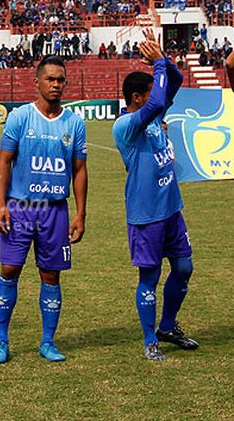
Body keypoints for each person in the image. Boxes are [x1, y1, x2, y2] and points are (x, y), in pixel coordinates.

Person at [0, 55, 88, 364]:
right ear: (37, 82)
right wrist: (1, 205)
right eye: (50, 79)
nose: (56, 84)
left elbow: (80, 170)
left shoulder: (74, 123)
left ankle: (48, 342)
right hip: (19, 208)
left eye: (61, 80)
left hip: (55, 211)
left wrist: (81, 213)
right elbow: (3, 162)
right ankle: (1, 342)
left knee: (51, 276)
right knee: (9, 271)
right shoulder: (20, 118)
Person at [113, 30, 198, 361]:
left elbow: (173, 82)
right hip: (145, 215)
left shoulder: (155, 115)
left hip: (171, 209)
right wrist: (159, 64)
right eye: (147, 94)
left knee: (184, 268)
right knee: (149, 276)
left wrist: (164, 59)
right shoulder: (126, 126)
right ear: (137, 98)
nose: (154, 98)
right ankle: (150, 340)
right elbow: (160, 99)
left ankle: (167, 325)